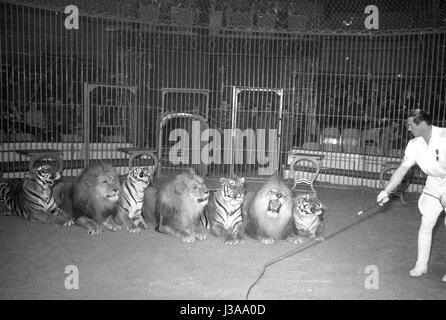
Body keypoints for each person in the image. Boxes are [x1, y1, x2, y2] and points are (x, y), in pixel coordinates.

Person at [377, 109, 446, 282]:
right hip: (433, 184)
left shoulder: (444, 137)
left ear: (422, 124)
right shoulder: (414, 144)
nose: (408, 128)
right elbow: (402, 169)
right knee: (426, 224)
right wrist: (386, 191)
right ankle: (421, 265)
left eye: (411, 125)